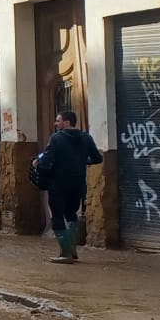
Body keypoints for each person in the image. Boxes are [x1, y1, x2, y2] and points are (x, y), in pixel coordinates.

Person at [38, 109, 103, 263]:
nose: (56, 123)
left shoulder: (56, 139)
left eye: (58, 120)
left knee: (57, 216)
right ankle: (72, 250)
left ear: (66, 122)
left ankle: (65, 253)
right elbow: (97, 158)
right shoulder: (86, 138)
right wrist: (81, 162)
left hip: (58, 184)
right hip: (78, 183)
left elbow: (47, 161)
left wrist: (38, 163)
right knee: (72, 214)